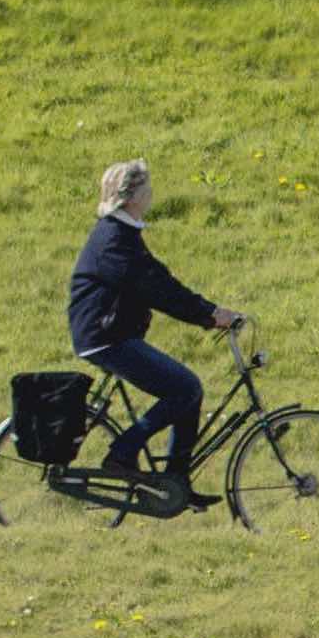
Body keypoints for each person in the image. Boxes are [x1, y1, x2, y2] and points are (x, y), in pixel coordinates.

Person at [64, 160, 242, 501]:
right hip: (104, 338)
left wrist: (209, 312)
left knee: (188, 393)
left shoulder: (124, 233)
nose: (152, 193)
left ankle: (176, 483)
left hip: (111, 334)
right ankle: (122, 453)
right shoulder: (114, 240)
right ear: (132, 196)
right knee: (185, 388)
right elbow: (158, 290)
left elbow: (161, 280)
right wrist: (209, 314)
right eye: (147, 187)